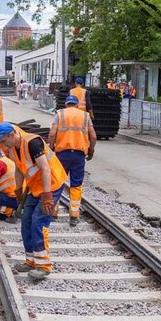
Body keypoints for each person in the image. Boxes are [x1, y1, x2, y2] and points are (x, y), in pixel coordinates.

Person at [0, 122, 67, 282]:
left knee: (38, 221)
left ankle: (43, 266)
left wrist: (47, 196)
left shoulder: (32, 143)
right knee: (26, 221)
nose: (2, 145)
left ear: (12, 135)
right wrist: (18, 191)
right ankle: (31, 260)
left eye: (4, 141)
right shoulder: (11, 148)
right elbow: (19, 169)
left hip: (50, 185)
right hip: (35, 186)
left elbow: (45, 169)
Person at [48, 94, 97, 227]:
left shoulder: (60, 114)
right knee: (76, 184)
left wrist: (51, 148)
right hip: (79, 155)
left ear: (66, 104)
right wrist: (91, 151)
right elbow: (93, 136)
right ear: (77, 105)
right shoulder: (85, 116)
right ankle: (74, 215)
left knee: (57, 182)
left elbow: (52, 134)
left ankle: (53, 212)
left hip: (61, 154)